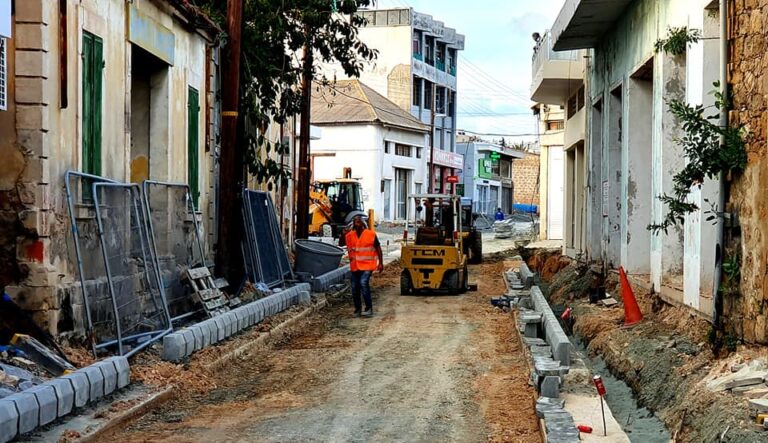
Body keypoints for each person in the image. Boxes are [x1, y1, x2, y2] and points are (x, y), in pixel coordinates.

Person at [345, 215, 384, 317]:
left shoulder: (370, 234)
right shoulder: (350, 235)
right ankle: (357, 309)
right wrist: (343, 233)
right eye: (355, 222)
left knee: (363, 283)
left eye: (358, 222)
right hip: (355, 266)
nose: (356, 224)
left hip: (367, 265)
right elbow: (342, 243)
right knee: (354, 287)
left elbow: (378, 248)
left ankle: (368, 308)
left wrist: (380, 263)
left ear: (363, 224)